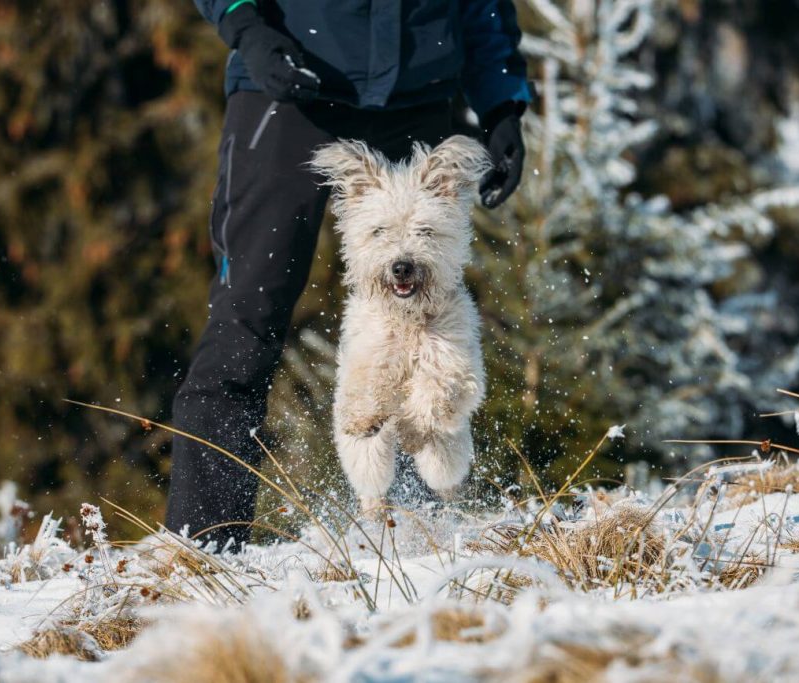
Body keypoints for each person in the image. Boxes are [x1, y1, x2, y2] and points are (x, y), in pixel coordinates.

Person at [166, 0, 532, 550]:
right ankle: (203, 540)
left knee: (423, 322)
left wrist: (501, 104)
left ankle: (410, 536)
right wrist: (249, 30)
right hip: (288, 88)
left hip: (416, 94)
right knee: (247, 315)